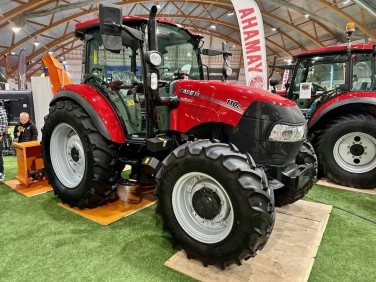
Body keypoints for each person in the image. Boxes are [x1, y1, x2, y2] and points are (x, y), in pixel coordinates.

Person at [0, 103, 8, 181]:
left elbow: (3, 124)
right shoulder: (2, 110)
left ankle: (1, 173)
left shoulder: (1, 111)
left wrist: (0, 134)